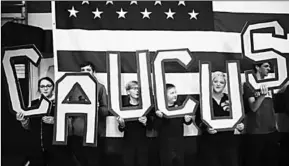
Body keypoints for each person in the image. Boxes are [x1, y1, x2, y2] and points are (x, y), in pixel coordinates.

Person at [16, 77, 73, 166]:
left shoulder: (60, 103)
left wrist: (55, 121)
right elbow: (28, 127)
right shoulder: (33, 103)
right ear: (39, 89)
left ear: (53, 87)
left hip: (56, 147)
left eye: (48, 86)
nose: (45, 88)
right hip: (37, 147)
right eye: (42, 86)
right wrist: (23, 120)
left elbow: (69, 124)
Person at [67, 61, 109, 166]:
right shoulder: (73, 88)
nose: (85, 72)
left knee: (93, 161)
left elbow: (106, 111)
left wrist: (98, 108)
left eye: (88, 70)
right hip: (76, 133)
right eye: (83, 70)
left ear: (93, 72)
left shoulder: (100, 88)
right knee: (78, 160)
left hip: (94, 133)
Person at [199, 71, 244, 166]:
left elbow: (239, 117)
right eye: (215, 81)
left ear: (225, 85)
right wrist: (206, 128)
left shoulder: (231, 99)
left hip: (228, 142)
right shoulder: (204, 99)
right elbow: (198, 120)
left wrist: (240, 125)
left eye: (221, 82)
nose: (218, 84)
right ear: (211, 83)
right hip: (209, 142)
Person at [243, 62, 280, 166]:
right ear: (257, 67)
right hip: (256, 132)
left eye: (269, 66)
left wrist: (276, 127)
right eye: (266, 66)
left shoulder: (272, 85)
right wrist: (262, 95)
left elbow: (271, 109)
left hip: (271, 131)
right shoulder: (249, 84)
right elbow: (253, 107)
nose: (269, 69)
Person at [155, 83, 194, 166]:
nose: (175, 95)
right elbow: (154, 127)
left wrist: (187, 120)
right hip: (165, 145)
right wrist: (160, 117)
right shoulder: (159, 109)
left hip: (179, 143)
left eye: (175, 92)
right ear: (164, 95)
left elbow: (186, 121)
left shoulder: (180, 107)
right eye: (172, 93)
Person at [117, 80, 154, 166]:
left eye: (138, 89)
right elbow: (121, 129)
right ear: (128, 92)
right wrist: (122, 125)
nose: (137, 91)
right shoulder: (123, 108)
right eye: (134, 88)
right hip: (128, 143)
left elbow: (151, 126)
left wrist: (145, 122)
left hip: (143, 143)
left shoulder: (146, 107)